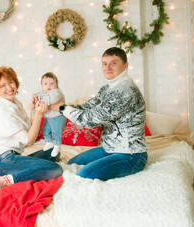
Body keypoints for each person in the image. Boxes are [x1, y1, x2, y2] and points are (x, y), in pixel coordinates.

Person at [56, 47, 149, 181]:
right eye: (104, 63)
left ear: (125, 66)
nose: (108, 67)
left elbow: (89, 120)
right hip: (109, 149)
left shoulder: (125, 91)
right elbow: (86, 107)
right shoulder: (107, 89)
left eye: (114, 63)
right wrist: (59, 107)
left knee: (83, 176)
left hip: (130, 154)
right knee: (71, 163)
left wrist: (62, 109)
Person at [0, 66, 63, 192]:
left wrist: (33, 110)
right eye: (3, 85)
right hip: (2, 160)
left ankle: (30, 170)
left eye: (11, 82)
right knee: (55, 169)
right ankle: (8, 180)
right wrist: (39, 114)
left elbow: (30, 129)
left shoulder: (14, 102)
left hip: (12, 157)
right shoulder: (3, 111)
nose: (9, 88)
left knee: (53, 153)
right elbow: (29, 140)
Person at [32, 72, 67, 157]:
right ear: (42, 85)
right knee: (44, 130)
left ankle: (57, 145)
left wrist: (42, 101)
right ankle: (49, 142)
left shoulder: (56, 92)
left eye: (52, 83)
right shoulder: (43, 92)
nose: (49, 86)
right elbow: (38, 94)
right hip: (49, 117)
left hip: (58, 117)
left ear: (56, 84)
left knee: (56, 132)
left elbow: (52, 99)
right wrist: (35, 96)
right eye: (46, 84)